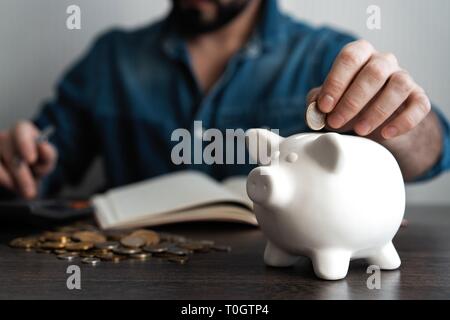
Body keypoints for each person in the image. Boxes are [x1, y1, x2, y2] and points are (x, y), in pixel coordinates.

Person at [0, 0, 449, 199]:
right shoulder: (110, 57)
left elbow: (435, 154)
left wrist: (402, 126)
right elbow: (48, 162)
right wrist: (24, 160)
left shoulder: (325, 54)